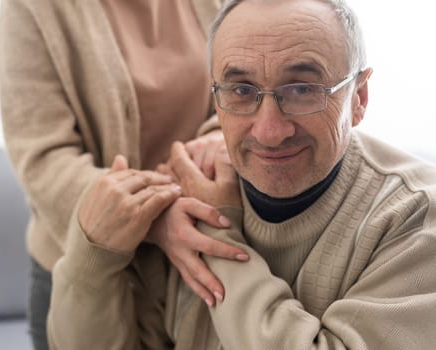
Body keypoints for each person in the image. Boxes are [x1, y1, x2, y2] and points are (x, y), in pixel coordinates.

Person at [47, 0, 436, 349]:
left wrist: (218, 236)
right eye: (241, 90)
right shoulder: (179, 210)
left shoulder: (416, 220)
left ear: (359, 98)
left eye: (302, 89)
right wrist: (93, 256)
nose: (269, 131)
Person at [0, 0, 251, 349]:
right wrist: (152, 216)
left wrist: (218, 138)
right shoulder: (31, 7)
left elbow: (240, 86)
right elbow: (43, 156)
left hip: (194, 259)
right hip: (85, 265)